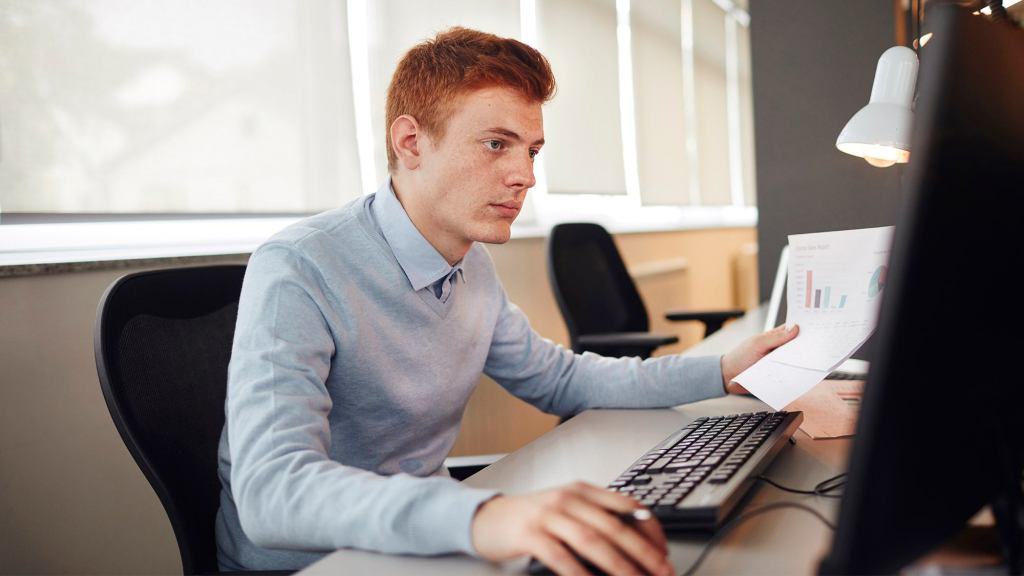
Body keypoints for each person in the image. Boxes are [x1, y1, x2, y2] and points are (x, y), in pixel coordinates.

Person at [215, 27, 798, 575]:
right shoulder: (300, 266)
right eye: (497, 144)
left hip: (424, 539)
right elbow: (271, 494)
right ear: (411, 141)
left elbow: (561, 380)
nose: (525, 176)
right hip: (319, 561)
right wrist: (483, 514)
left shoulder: (472, 264)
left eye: (532, 151)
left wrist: (722, 372)